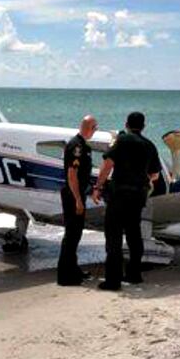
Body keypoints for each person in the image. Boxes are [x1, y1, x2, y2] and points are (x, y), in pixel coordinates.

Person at [92, 112, 161, 291]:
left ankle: (112, 281)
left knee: (113, 236)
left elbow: (107, 165)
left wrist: (98, 187)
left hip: (119, 194)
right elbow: (155, 175)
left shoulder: (121, 141)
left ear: (126, 124)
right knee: (134, 234)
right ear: (143, 126)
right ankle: (134, 274)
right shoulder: (149, 145)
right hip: (138, 196)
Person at [57, 115, 98, 286]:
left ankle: (73, 269)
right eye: (95, 128)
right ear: (89, 128)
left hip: (77, 193)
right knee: (72, 234)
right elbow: (72, 175)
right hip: (73, 194)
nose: (95, 131)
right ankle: (65, 276)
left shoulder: (83, 146)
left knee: (76, 234)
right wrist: (78, 200)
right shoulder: (76, 146)